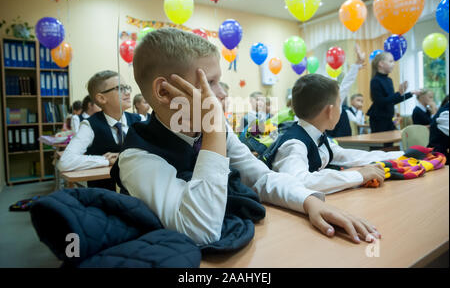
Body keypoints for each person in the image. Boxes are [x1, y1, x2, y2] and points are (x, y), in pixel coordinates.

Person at [112, 28, 380, 246]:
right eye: (211, 82)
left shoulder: (215, 131)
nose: (222, 93)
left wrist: (309, 201)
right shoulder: (137, 157)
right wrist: (214, 128)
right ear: (164, 92)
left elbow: (261, 177)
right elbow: (200, 230)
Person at [261, 73, 405, 195]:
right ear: (330, 111)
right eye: (339, 104)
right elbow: (299, 182)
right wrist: (358, 175)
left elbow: (348, 156)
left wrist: (401, 155)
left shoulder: (317, 136)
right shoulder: (294, 144)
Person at [58, 70, 141, 190]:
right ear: (102, 98)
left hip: (138, 192)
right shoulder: (90, 125)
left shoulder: (139, 120)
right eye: (120, 88)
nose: (127, 93)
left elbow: (157, 153)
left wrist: (121, 157)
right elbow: (66, 162)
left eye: (127, 87)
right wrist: (105, 160)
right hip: (106, 196)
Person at [367, 52, 418, 133]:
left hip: (388, 119)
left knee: (392, 143)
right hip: (379, 120)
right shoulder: (375, 81)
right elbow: (381, 102)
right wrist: (399, 93)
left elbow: (392, 100)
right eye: (391, 61)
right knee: (382, 145)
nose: (394, 64)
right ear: (381, 64)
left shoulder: (389, 80)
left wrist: (410, 93)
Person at [326, 43, 366, 138]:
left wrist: (356, 66)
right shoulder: (325, 106)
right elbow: (345, 85)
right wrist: (356, 65)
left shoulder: (338, 103)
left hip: (343, 139)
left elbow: (346, 84)